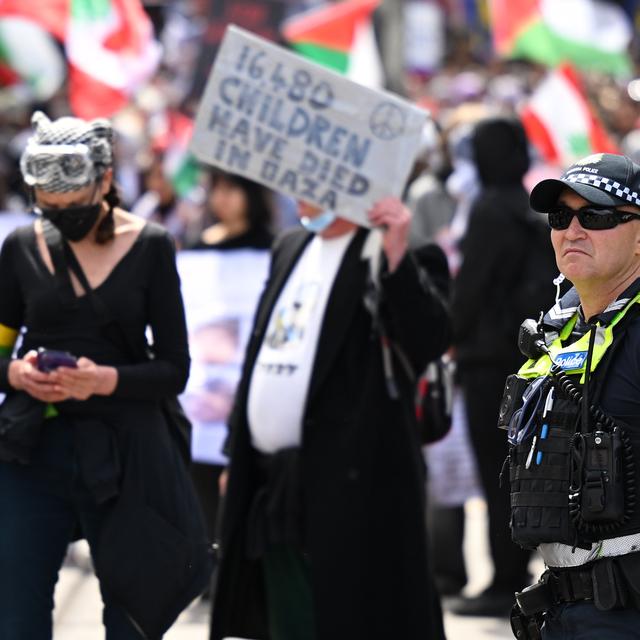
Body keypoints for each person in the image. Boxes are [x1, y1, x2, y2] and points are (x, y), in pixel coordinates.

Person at [0, 111, 208, 638]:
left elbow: (174, 369)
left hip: (129, 457)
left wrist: (106, 380)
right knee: (16, 613)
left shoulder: (152, 246)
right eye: (51, 208)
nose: (63, 218)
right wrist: (17, 374)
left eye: (76, 206)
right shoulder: (20, 248)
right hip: (33, 450)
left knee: (133, 616)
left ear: (106, 179)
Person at [209, 197, 451, 640]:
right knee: (287, 620)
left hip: (353, 492)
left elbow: (429, 339)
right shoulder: (291, 245)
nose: (301, 189)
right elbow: (260, 352)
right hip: (271, 485)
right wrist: (235, 452)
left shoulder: (399, 250)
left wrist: (396, 257)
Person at [505, 153, 640, 639]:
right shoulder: (559, 327)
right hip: (564, 610)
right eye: (561, 216)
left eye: (597, 216)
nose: (572, 230)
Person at [450, 116, 545, 617]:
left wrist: (447, 334)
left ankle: (503, 581)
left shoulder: (488, 210)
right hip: (523, 357)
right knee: (518, 473)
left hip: (488, 363)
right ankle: (517, 573)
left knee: (497, 476)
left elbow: (471, 291)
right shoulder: (529, 207)